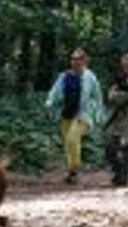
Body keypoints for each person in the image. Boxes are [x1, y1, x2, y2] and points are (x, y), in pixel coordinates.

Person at [45, 48, 105, 184]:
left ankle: (74, 169)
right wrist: (49, 102)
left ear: (85, 61)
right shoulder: (64, 76)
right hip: (65, 113)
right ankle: (72, 172)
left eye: (78, 59)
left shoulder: (90, 77)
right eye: (73, 59)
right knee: (68, 144)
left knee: (73, 138)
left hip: (83, 115)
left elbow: (97, 97)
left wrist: (99, 114)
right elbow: (54, 91)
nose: (75, 61)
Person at [104, 51, 128, 187]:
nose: (126, 68)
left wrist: (120, 96)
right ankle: (118, 172)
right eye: (125, 65)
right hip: (117, 116)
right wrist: (125, 96)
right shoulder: (119, 78)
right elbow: (110, 96)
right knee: (109, 143)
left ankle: (125, 176)